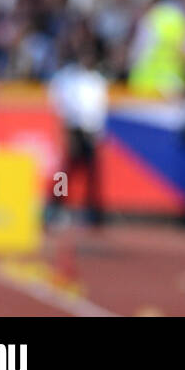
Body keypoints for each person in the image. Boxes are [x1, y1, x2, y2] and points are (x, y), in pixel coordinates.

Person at [48, 37, 109, 227]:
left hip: (90, 132)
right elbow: (62, 103)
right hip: (74, 130)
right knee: (66, 173)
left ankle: (93, 213)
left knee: (93, 175)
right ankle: (54, 208)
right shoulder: (70, 78)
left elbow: (99, 110)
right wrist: (68, 131)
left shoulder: (98, 81)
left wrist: (98, 133)